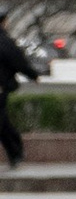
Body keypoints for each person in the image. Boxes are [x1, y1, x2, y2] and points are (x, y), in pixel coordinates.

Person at [0, 25, 42, 169]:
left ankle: (15, 152)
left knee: (3, 122)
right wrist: (33, 75)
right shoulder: (4, 41)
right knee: (2, 122)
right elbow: (17, 61)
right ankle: (15, 152)